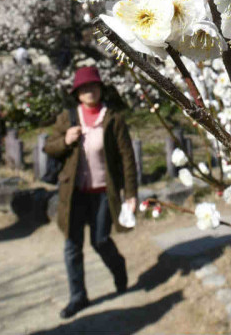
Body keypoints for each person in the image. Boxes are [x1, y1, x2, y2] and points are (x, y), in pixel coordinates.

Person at [44, 65, 138, 319]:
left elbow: (127, 159)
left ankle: (119, 268)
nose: (90, 91)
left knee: (101, 240)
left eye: (93, 86)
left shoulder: (113, 119)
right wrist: (65, 140)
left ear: (100, 89)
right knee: (72, 246)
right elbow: (49, 147)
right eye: (84, 88)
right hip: (73, 194)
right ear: (77, 93)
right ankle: (78, 296)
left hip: (103, 193)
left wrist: (130, 194)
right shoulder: (68, 119)